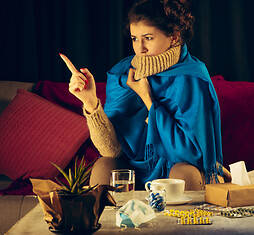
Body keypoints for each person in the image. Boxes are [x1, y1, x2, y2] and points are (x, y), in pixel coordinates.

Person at [60, 0, 230, 190]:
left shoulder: (192, 77)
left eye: (148, 38)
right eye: (134, 38)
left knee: (185, 174)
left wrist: (149, 101)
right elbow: (111, 151)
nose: (139, 48)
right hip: (132, 171)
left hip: (176, 168)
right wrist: (90, 101)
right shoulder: (121, 75)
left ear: (173, 37)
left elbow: (191, 155)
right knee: (103, 166)